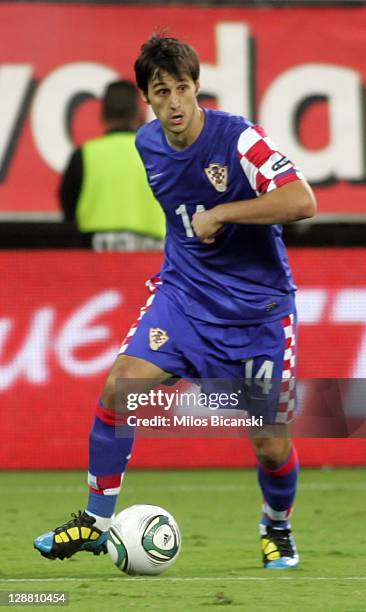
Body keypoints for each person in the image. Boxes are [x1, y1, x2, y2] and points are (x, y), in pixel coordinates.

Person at [34, 34, 316, 569]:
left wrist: (224, 213)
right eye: (162, 92)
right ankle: (95, 523)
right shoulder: (147, 145)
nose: (175, 103)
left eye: (183, 88)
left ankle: (276, 525)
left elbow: (302, 200)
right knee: (121, 385)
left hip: (256, 314)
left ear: (197, 88)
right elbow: (183, 216)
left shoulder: (240, 140)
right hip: (184, 298)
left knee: (270, 446)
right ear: (148, 97)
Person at [59, 79, 165, 244]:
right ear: (140, 114)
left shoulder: (84, 154)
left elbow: (67, 208)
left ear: (103, 115)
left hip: (96, 254)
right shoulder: (160, 154)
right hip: (152, 254)